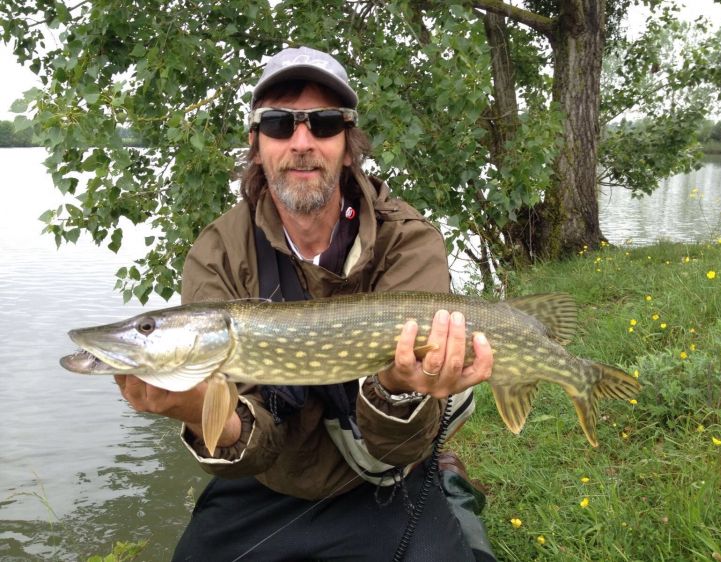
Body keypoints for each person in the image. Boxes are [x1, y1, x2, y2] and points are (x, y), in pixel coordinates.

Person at [115, 46, 496, 561]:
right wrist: (201, 407)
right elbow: (255, 446)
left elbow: (399, 446)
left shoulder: (407, 239)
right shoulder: (218, 252)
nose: (301, 141)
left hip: (380, 475)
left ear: (347, 144)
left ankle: (447, 479)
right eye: (278, 123)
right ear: (256, 145)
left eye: (323, 123)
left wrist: (399, 389)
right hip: (271, 483)